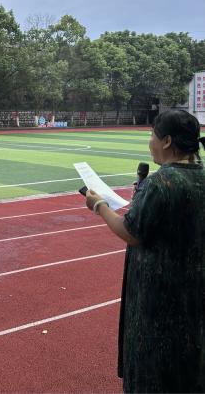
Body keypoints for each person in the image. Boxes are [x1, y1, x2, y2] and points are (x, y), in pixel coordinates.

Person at [85, 110, 205, 393]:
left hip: (158, 299)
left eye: (152, 135)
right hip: (194, 293)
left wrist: (99, 206)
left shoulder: (162, 182)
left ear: (166, 141)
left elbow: (131, 231)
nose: (149, 141)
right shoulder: (198, 177)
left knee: (152, 370)